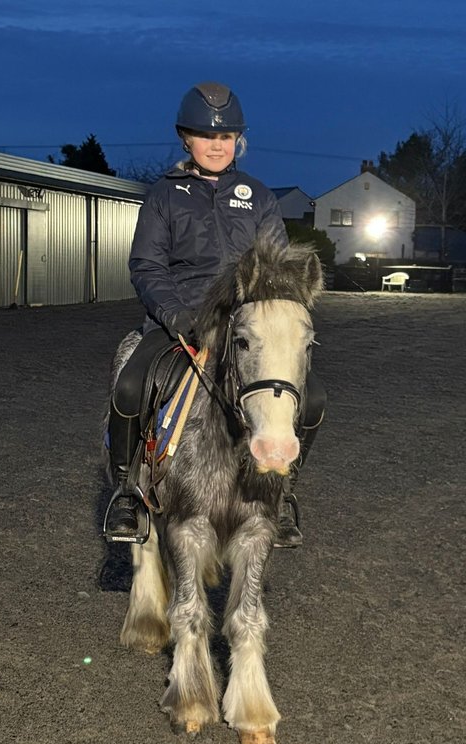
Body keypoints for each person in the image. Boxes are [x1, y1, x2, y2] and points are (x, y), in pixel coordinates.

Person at [104, 82, 326, 546]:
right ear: (186, 138)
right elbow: (146, 265)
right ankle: (126, 491)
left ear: (238, 141)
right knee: (129, 386)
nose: (217, 145)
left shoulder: (258, 195)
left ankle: (281, 493)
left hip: (246, 326)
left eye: (226, 138)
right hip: (179, 319)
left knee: (315, 397)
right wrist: (176, 315)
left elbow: (279, 268)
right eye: (207, 136)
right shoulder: (164, 196)